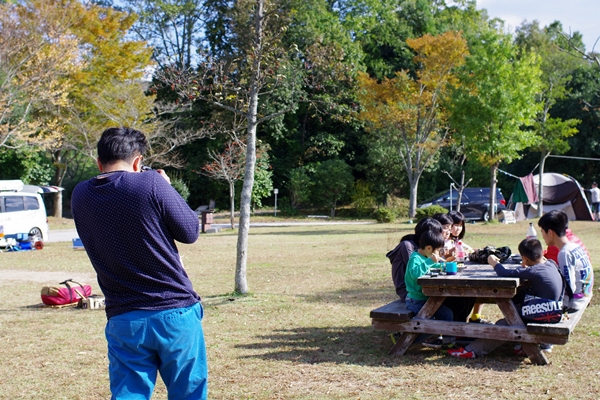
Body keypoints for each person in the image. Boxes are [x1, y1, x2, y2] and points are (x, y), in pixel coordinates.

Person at [71, 127, 208, 399]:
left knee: (128, 394)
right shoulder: (151, 184)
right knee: (188, 393)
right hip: (173, 311)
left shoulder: (80, 195)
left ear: (99, 162)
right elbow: (190, 231)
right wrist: (165, 187)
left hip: (123, 316)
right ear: (137, 161)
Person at [448, 237, 564, 359]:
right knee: (515, 301)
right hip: (551, 309)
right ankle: (523, 345)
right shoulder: (550, 263)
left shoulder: (534, 271)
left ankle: (472, 350)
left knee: (504, 324)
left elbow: (504, 273)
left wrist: (493, 262)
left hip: (541, 313)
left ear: (525, 258)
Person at [405, 230, 455, 349]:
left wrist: (442, 265)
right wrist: (430, 261)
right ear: (428, 248)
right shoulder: (415, 258)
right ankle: (404, 336)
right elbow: (415, 273)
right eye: (437, 250)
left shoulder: (426, 257)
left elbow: (432, 266)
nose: (438, 254)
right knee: (428, 323)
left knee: (448, 314)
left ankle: (449, 342)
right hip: (416, 300)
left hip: (427, 298)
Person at [538, 210, 594, 311]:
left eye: (542, 232)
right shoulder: (575, 246)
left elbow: (568, 288)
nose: (542, 237)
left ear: (550, 233)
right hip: (585, 296)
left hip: (574, 303)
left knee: (527, 302)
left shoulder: (564, 253)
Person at [387, 218, 443, 302]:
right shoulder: (408, 246)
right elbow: (416, 273)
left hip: (421, 289)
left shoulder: (423, 248)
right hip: (410, 293)